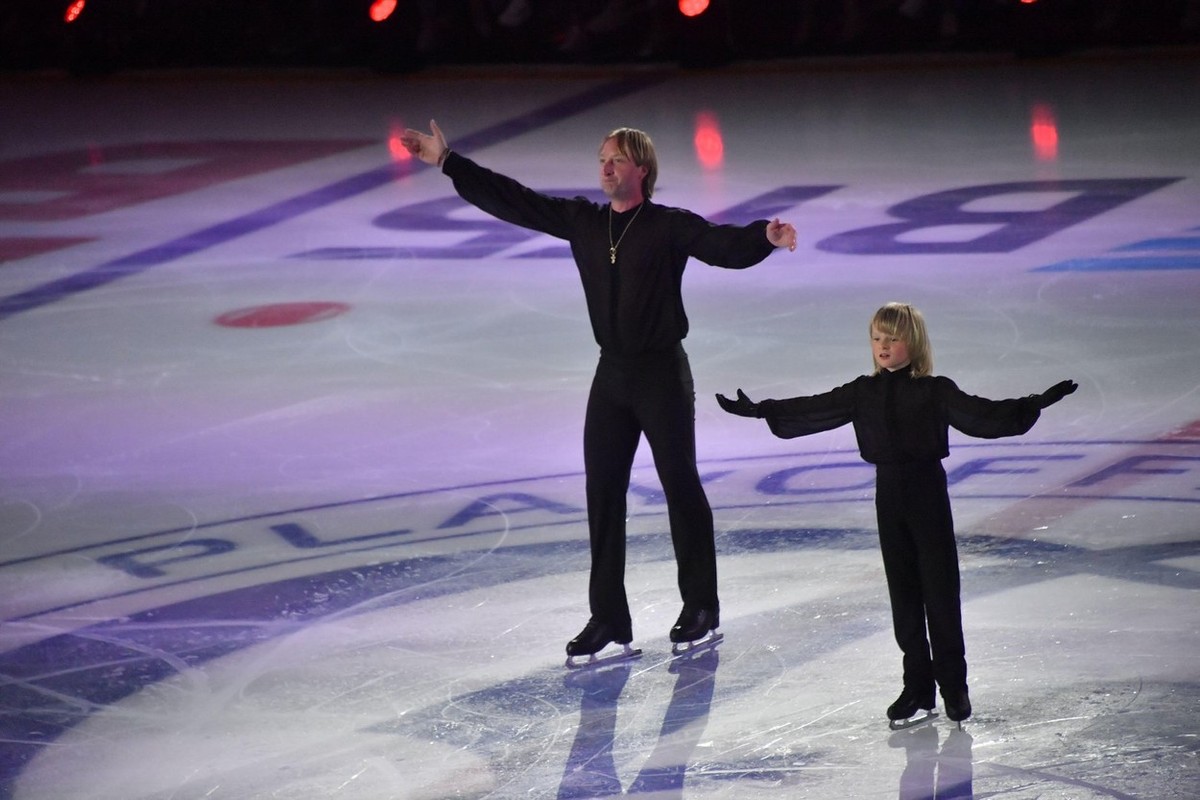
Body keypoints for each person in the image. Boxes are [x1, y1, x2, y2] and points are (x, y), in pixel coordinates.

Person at [400, 120, 797, 661]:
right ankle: (608, 617)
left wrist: (763, 238)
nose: (606, 167)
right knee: (602, 493)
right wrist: (449, 162)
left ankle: (701, 604)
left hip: (661, 375)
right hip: (611, 376)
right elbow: (516, 202)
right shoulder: (584, 221)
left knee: (680, 485)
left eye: (617, 159)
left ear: (643, 170)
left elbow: (721, 244)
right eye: (602, 159)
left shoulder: (667, 226)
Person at [717, 302, 1076, 725]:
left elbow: (982, 415)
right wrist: (763, 409)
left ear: (915, 342)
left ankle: (954, 687)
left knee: (940, 594)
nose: (883, 347)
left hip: (927, 494)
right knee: (903, 597)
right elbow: (814, 408)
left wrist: (1032, 404)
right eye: (877, 339)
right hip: (888, 497)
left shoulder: (935, 390)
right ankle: (918, 688)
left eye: (892, 339)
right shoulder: (862, 391)